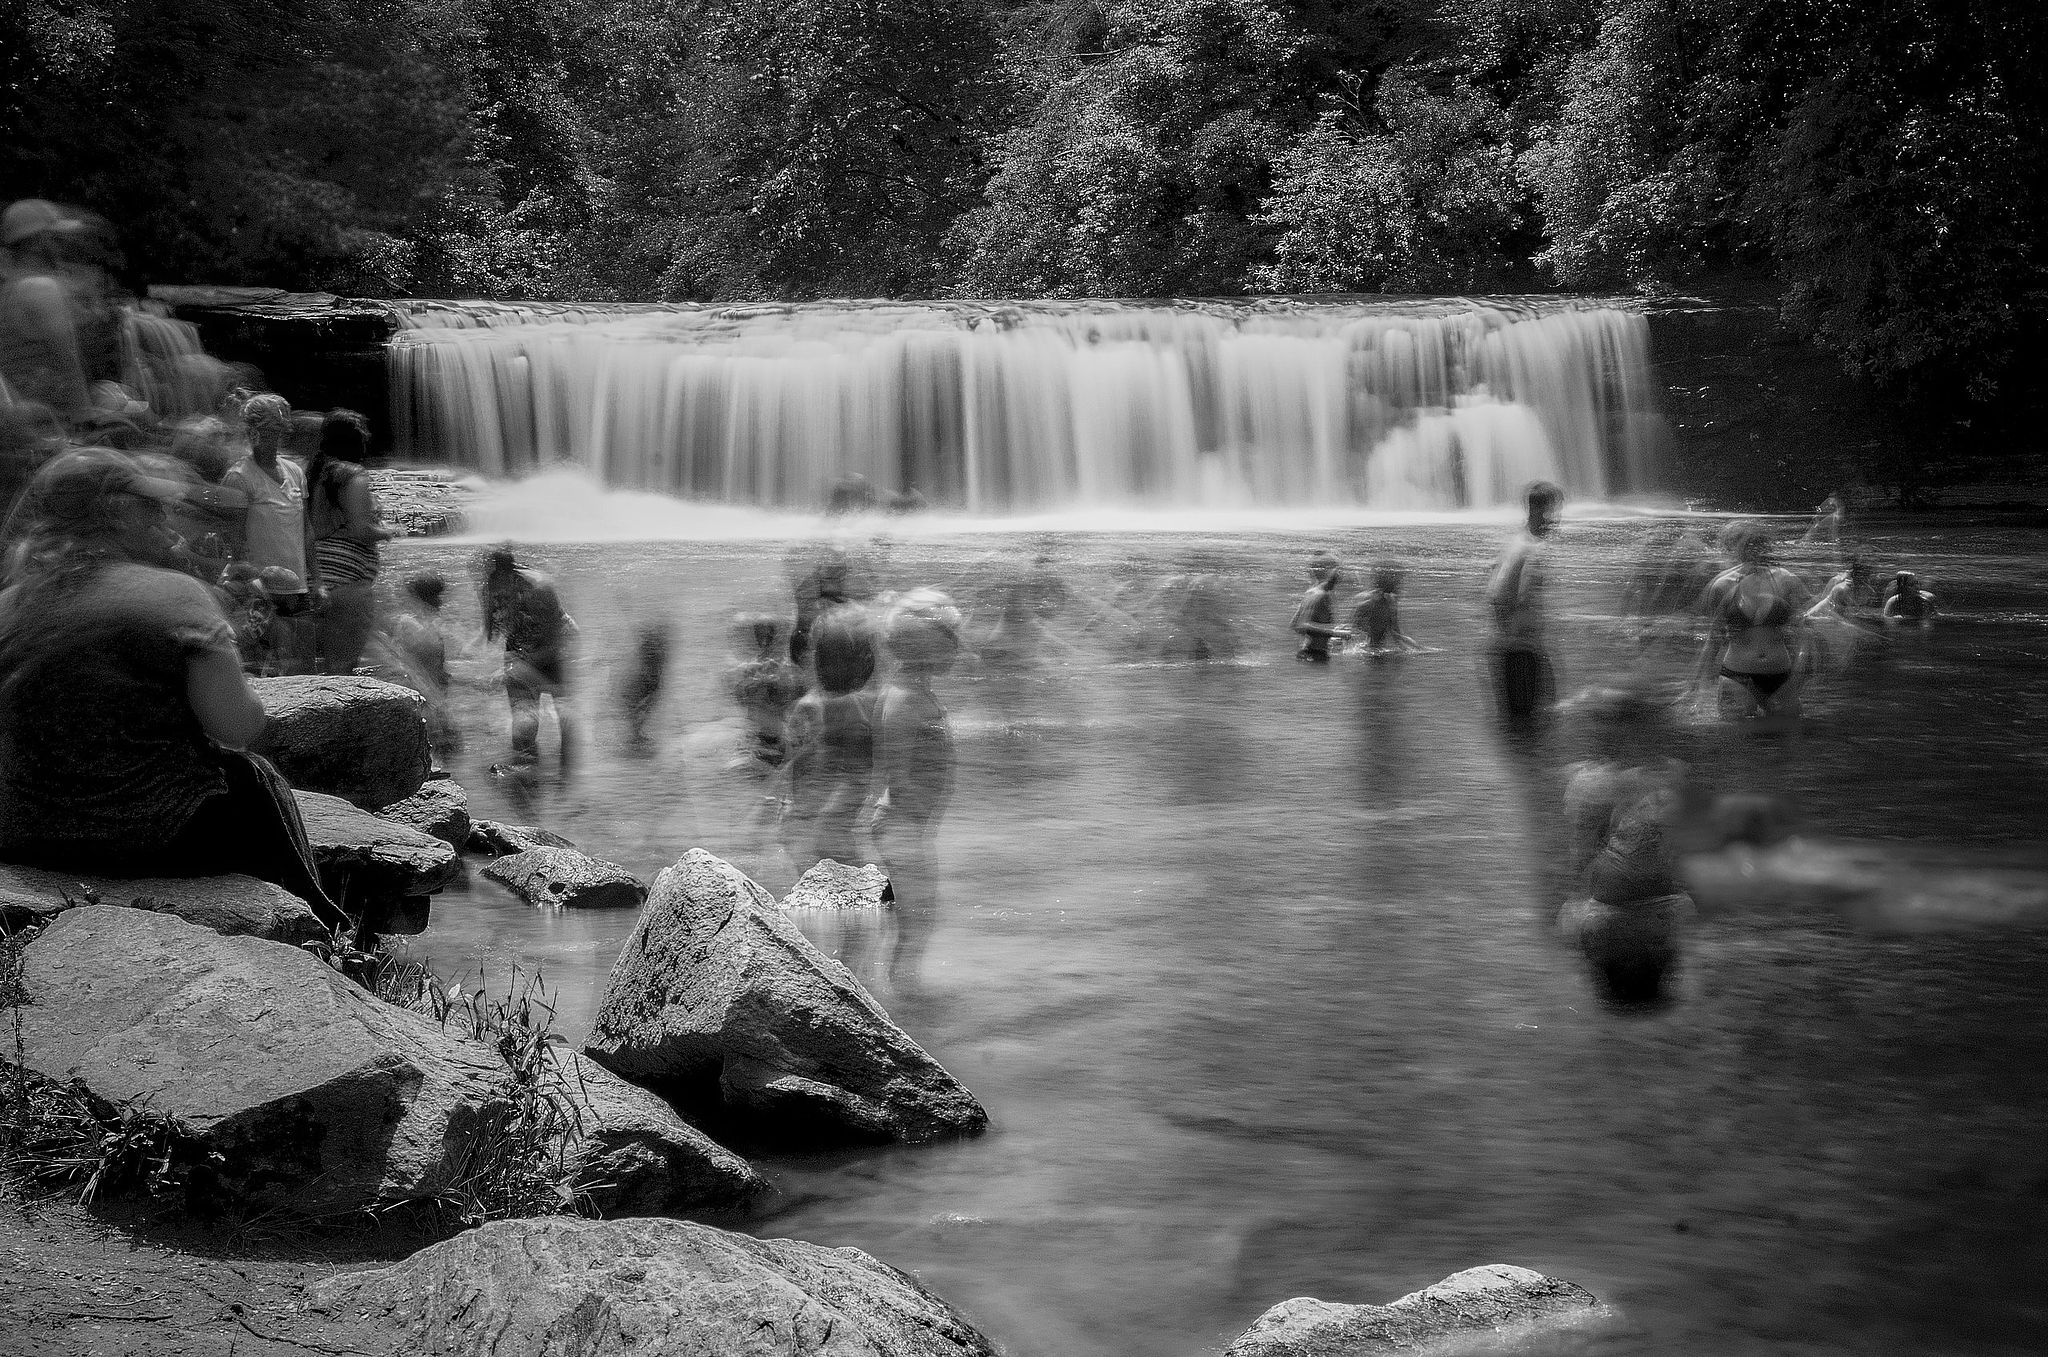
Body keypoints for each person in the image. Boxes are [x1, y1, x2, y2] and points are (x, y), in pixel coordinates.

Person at [0, 448, 344, 929]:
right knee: (254, 776)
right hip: (155, 835)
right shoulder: (175, 594)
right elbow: (238, 726)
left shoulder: (8, 605)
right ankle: (326, 934)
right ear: (116, 513)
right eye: (150, 506)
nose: (164, 517)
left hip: (21, 834)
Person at [874, 589, 962, 984]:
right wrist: (912, 830)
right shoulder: (905, 699)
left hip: (910, 826)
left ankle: (898, 991)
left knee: (917, 922)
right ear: (925, 646)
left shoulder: (915, 690)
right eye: (950, 638)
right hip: (902, 826)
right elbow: (897, 773)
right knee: (916, 923)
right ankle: (901, 995)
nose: (958, 647)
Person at [220, 392, 316, 672]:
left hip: (296, 588)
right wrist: (250, 583)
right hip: (260, 590)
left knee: (303, 665)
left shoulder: (295, 472)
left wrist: (317, 580)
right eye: (266, 431)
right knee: (261, 664)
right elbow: (233, 537)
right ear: (251, 432)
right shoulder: (239, 477)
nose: (272, 438)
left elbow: (306, 529)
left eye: (278, 431)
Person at [781, 604, 877, 870]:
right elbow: (852, 778)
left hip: (810, 819)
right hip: (827, 824)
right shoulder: (840, 709)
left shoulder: (809, 705)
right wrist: (825, 822)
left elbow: (795, 765)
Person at [1694, 519, 1811, 720]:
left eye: (1758, 544)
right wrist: (1697, 686)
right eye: (1747, 545)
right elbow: (1713, 640)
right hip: (1737, 675)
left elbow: (1804, 633)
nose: (1754, 550)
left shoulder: (1787, 581)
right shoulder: (1723, 585)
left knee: (1790, 732)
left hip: (1780, 674)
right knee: (1739, 736)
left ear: (1767, 547)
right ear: (1737, 549)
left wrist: (1797, 675)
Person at [305, 409, 392, 674]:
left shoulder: (315, 473)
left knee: (316, 667)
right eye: (363, 433)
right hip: (347, 582)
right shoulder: (353, 475)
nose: (367, 438)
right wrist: (388, 532)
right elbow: (360, 529)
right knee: (342, 668)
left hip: (316, 574)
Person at [478, 545, 577, 771]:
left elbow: (555, 639)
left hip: (557, 651)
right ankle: (525, 771)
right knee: (523, 719)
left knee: (564, 714)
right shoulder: (489, 586)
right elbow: (491, 630)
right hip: (520, 648)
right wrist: (474, 661)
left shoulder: (539, 587)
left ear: (509, 572)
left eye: (492, 575)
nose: (487, 580)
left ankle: (567, 776)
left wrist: (519, 667)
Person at [1485, 481, 1563, 717]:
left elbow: (1495, 591)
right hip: (1519, 654)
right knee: (1530, 724)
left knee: (1524, 726)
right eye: (1553, 513)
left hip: (1515, 650)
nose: (1556, 521)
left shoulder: (1517, 542)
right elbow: (1500, 594)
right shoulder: (1528, 548)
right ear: (1538, 511)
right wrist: (1520, 639)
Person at [724, 613, 805, 770]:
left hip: (771, 739)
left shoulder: (783, 672)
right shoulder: (753, 671)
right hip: (767, 739)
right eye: (761, 635)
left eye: (769, 636)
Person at [1348, 563, 1423, 654]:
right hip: (1370, 649)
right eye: (1397, 584)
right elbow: (1354, 628)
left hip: (1374, 647)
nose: (1400, 587)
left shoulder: (1389, 602)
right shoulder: (1370, 603)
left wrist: (1416, 648)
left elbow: (1396, 633)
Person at [1289, 552, 1345, 662]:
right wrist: (1335, 632)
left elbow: (1294, 624)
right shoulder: (1320, 595)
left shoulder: (1312, 592)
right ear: (1327, 572)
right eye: (1336, 569)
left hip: (1310, 655)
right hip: (1314, 656)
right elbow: (1302, 625)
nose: (1340, 573)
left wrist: (1330, 633)